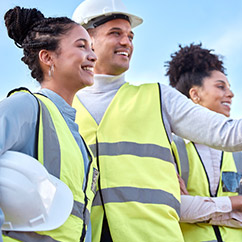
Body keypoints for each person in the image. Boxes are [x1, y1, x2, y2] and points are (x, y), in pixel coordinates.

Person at [72, 0, 242, 241]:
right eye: (115, 33)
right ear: (86, 39)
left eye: (130, 36)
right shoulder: (66, 106)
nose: (126, 42)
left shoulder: (159, 97)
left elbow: (228, 134)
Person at [1, 6, 97, 242]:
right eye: (81, 46)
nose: (93, 56)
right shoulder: (25, 106)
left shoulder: (77, 138)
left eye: (92, 48)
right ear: (47, 57)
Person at [166, 43, 242, 242]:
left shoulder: (237, 150)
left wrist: (202, 208)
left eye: (229, 87)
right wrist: (235, 203)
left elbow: (190, 209)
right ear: (195, 95)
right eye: (220, 86)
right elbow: (177, 208)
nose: (231, 94)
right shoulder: (170, 145)